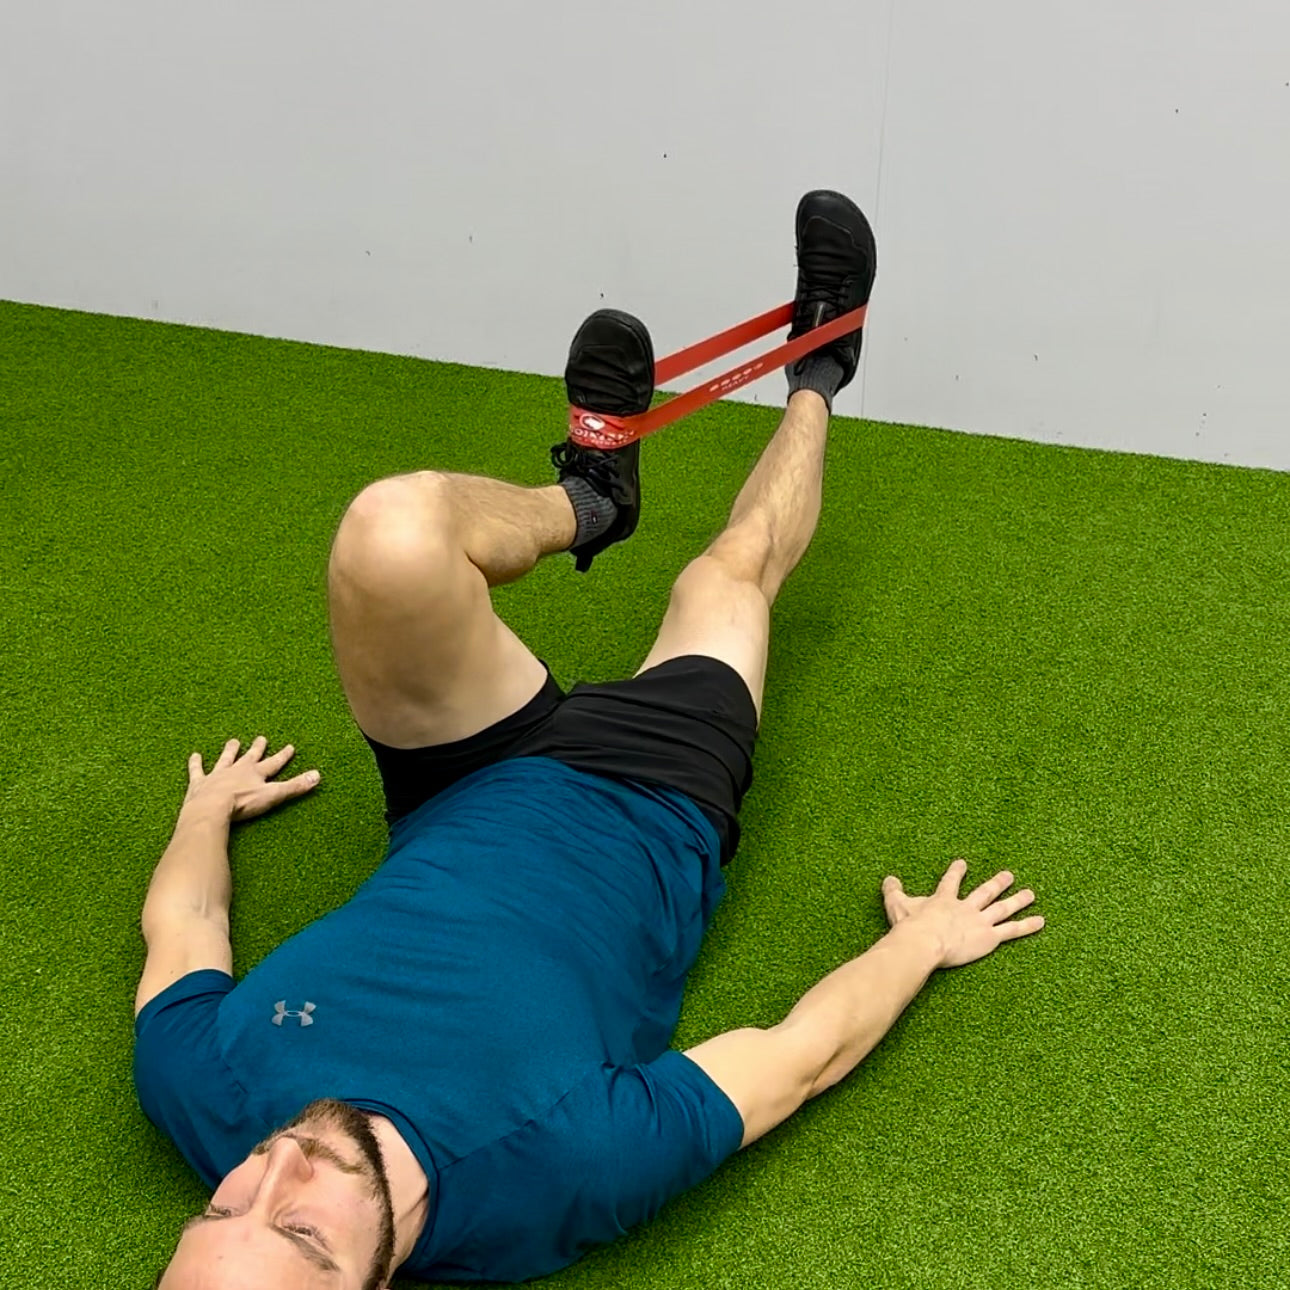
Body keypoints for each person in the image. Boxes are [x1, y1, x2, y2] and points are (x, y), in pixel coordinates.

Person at [133, 190, 1044, 1289]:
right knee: (729, 573)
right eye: (300, 1231)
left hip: (457, 785)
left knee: (392, 530)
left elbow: (184, 924)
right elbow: (795, 1062)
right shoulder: (557, 1174)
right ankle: (822, 361)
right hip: (648, 807)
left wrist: (203, 811)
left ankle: (589, 497)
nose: (277, 1170)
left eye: (226, 1202)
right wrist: (922, 945)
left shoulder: (207, 1092)